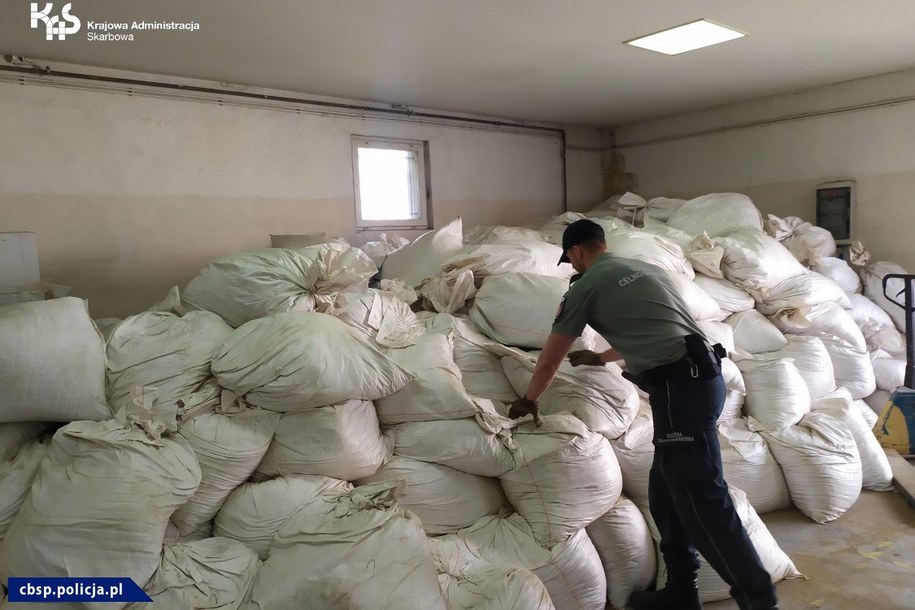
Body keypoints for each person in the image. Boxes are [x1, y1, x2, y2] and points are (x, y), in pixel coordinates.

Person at [507, 219, 778, 610]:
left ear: (577, 252)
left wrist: (531, 399)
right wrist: (601, 357)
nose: (573, 268)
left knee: (702, 501)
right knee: (666, 490)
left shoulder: (585, 286)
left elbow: (551, 356)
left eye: (571, 261)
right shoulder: (644, 270)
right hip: (703, 379)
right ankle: (683, 591)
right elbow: (661, 327)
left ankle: (760, 600)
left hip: (679, 389)